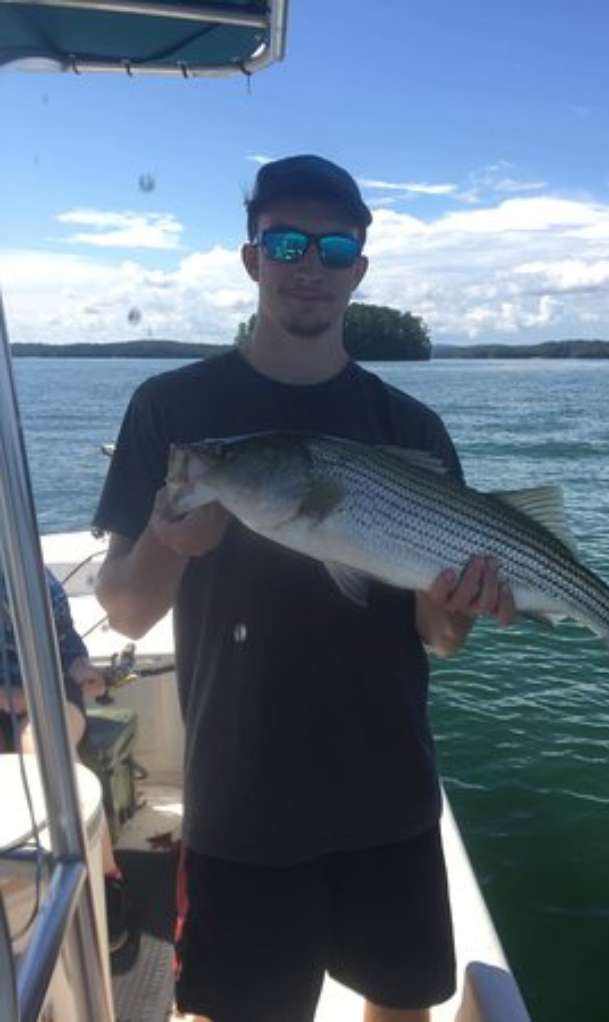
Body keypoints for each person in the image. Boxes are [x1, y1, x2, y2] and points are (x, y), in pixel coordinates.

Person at [93, 154, 516, 1022]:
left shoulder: (411, 427)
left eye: (333, 247)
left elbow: (440, 638)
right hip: (241, 792)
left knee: (402, 1005)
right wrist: (174, 546)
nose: (309, 266)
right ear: (252, 259)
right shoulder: (172, 408)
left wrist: (457, 606)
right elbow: (126, 610)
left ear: (361, 267)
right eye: (285, 243)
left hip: (390, 788)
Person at [0, 566, 130, 953]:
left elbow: (65, 644)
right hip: (14, 693)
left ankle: (105, 880)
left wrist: (81, 670)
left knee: (42, 749)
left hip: (48, 687)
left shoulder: (26, 573)